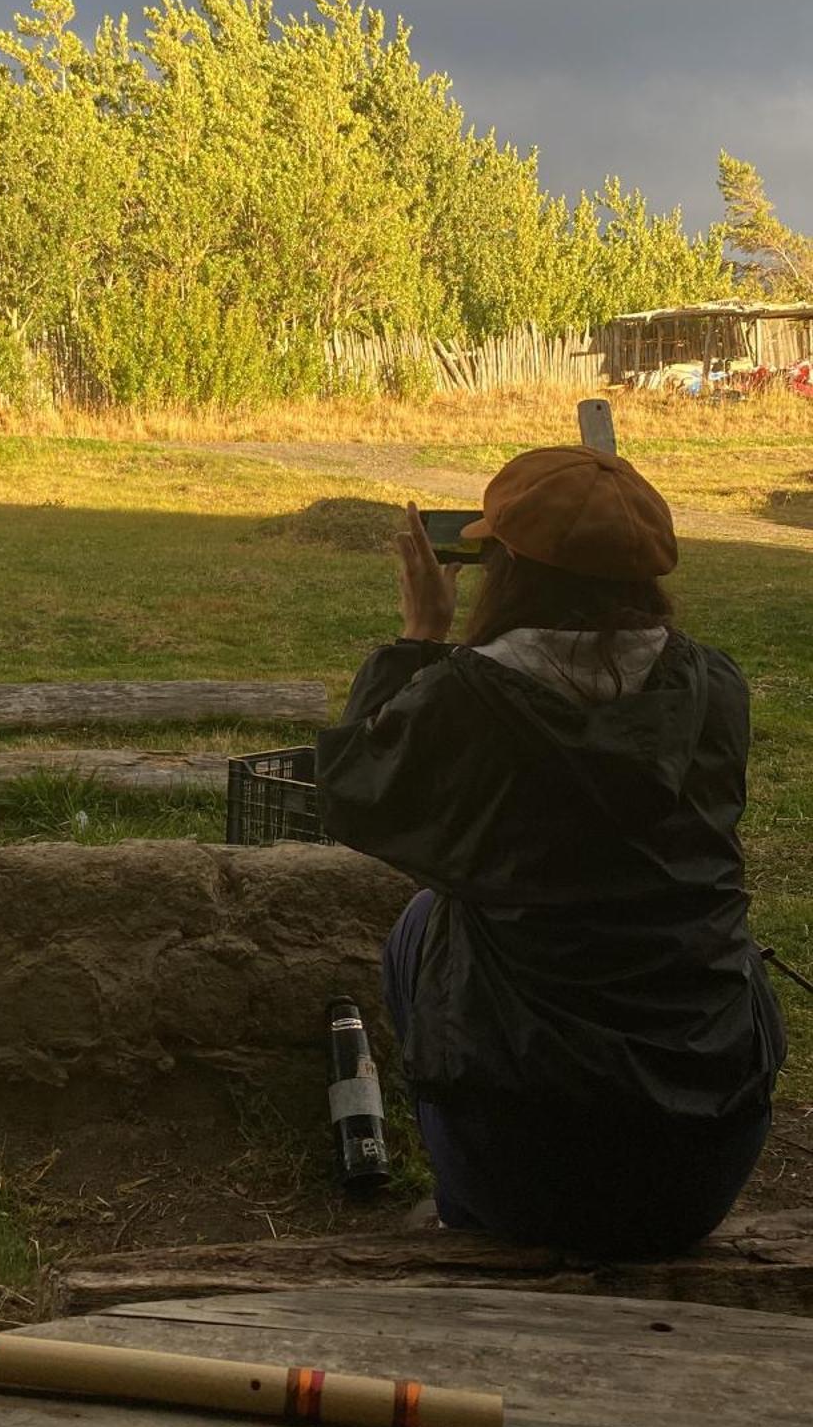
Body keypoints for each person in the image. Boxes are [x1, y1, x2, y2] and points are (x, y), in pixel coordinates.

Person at [314, 445, 786, 1257]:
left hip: (528, 1168)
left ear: (502, 567)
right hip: (707, 1157)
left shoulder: (470, 695)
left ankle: (466, 1210)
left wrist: (420, 634)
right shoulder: (716, 687)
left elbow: (356, 793)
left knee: (424, 924)